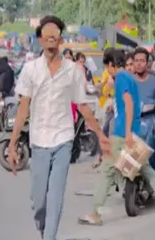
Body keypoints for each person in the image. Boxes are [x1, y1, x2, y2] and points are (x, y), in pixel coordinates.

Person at [7, 16, 108, 240]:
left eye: (56, 34)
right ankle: (43, 228)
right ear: (40, 40)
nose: (51, 38)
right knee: (39, 200)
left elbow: (82, 105)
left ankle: (49, 237)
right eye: (47, 34)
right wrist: (13, 144)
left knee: (55, 197)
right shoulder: (30, 69)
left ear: (61, 40)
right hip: (39, 141)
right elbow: (24, 108)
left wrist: (100, 135)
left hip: (63, 139)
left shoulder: (73, 70)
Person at [79, 48, 155, 225]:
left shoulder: (121, 78)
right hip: (136, 131)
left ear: (111, 64)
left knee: (108, 172)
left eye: (107, 67)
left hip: (122, 134)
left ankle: (96, 214)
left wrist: (127, 133)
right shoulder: (130, 78)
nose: (107, 71)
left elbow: (129, 103)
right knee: (147, 171)